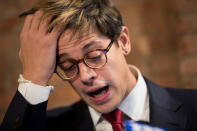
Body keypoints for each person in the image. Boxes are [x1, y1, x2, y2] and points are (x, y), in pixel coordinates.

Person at [1, 0, 197, 131]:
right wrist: (34, 78)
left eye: (94, 56)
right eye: (69, 66)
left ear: (124, 41)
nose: (85, 76)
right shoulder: (50, 126)